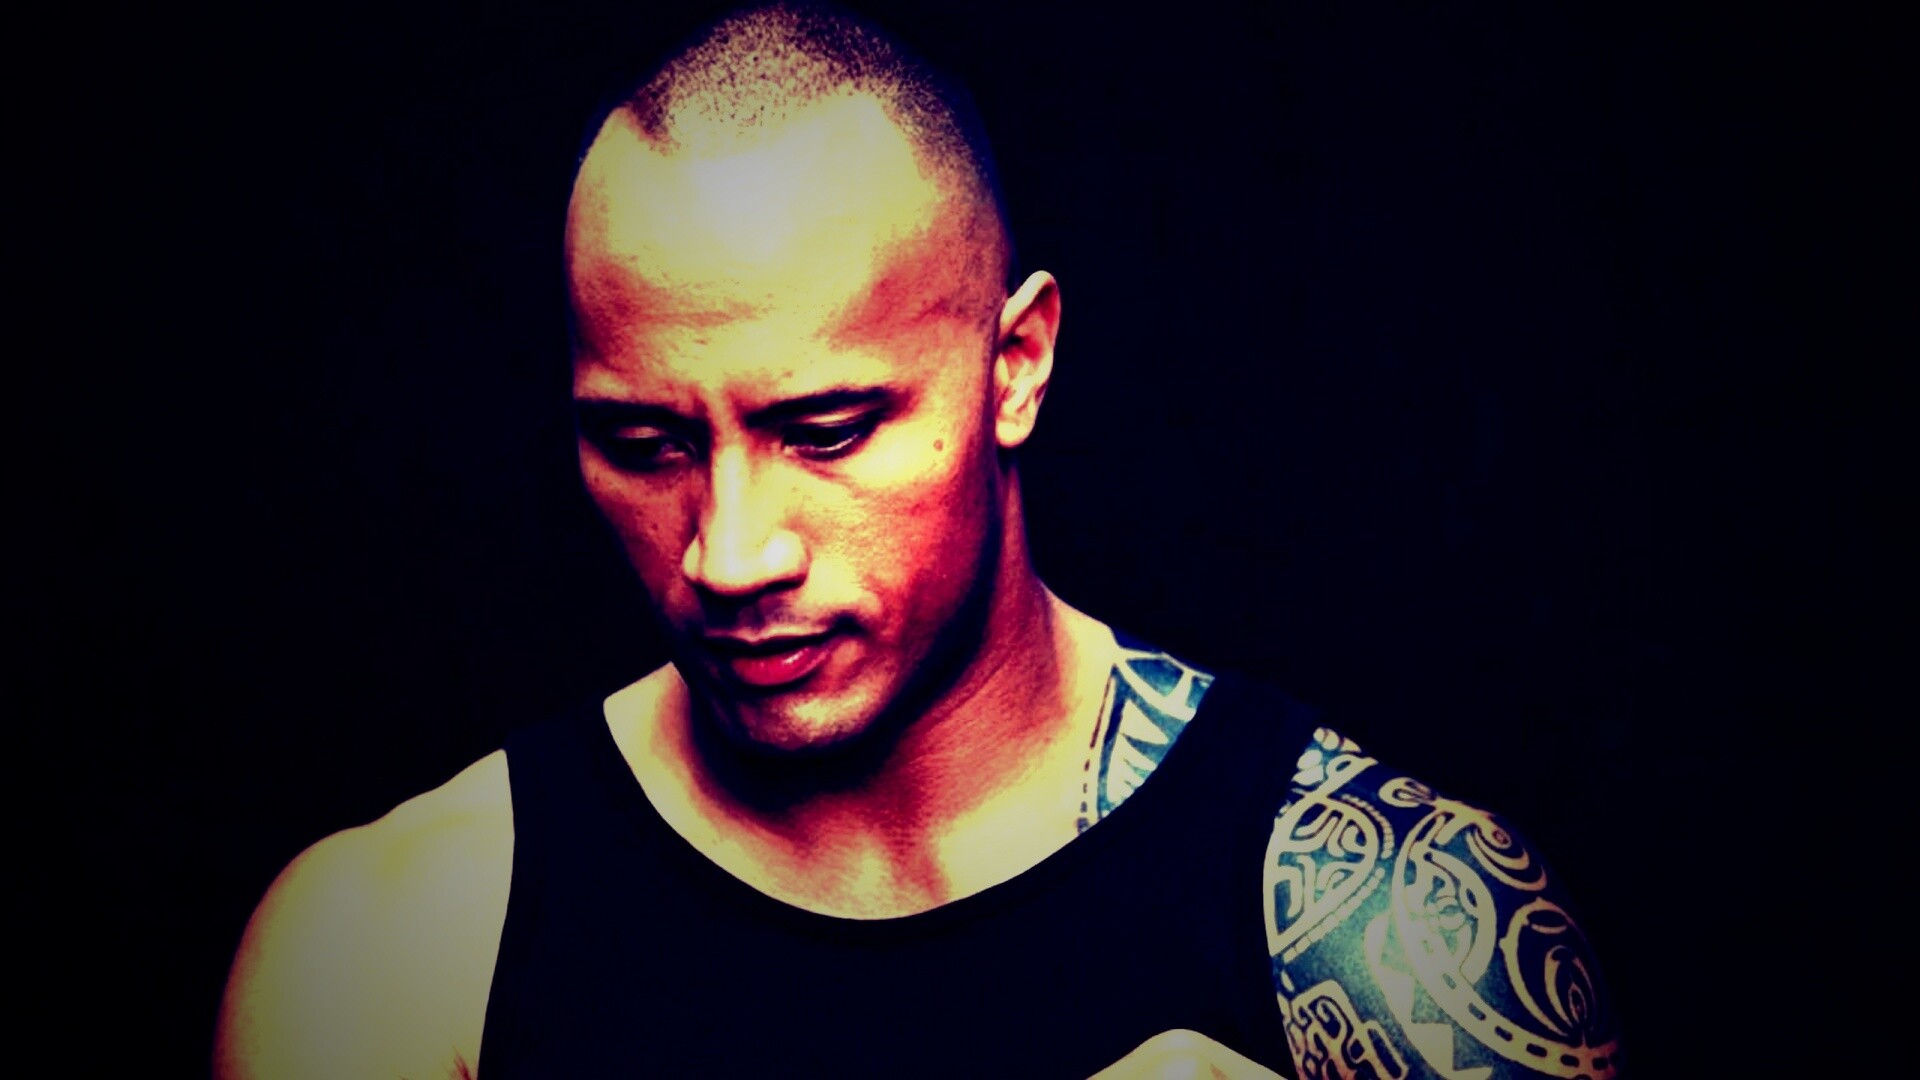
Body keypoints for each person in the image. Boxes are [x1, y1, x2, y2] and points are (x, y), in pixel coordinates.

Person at [215, 4, 1620, 1076]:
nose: (729, 556)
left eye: (826, 429)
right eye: (646, 445)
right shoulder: (392, 956)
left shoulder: (1386, 928)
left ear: (1017, 366)